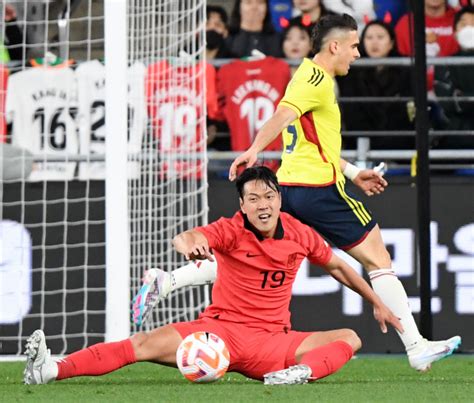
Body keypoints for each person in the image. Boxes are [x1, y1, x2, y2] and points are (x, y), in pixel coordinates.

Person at [134, 13, 461, 372]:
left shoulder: (306, 74)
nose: (357, 53)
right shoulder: (317, 80)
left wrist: (352, 172)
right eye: (353, 46)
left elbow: (312, 141)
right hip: (318, 190)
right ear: (334, 45)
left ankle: (167, 281)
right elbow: (282, 116)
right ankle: (415, 346)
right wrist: (256, 148)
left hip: (289, 187)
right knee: (378, 261)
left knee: (247, 256)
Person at [25, 167, 403, 386]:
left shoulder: (299, 233)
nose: (262, 205)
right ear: (242, 205)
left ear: (279, 199)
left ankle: (300, 374)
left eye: (268, 196)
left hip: (271, 344)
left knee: (348, 338)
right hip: (215, 334)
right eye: (253, 199)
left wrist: (378, 304)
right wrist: (189, 245)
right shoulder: (231, 229)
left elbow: (338, 266)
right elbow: (189, 236)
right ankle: (49, 370)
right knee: (137, 345)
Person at [337, 20, 414, 150]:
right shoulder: (350, 71)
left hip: (398, 141)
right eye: (369, 37)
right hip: (360, 141)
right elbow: (352, 114)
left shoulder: (406, 70)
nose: (374, 42)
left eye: (380, 37)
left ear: (391, 43)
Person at [434, 5, 474, 136]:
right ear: (455, 34)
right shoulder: (444, 64)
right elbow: (449, 103)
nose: (469, 29)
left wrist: (464, 96)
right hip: (458, 135)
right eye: (464, 25)